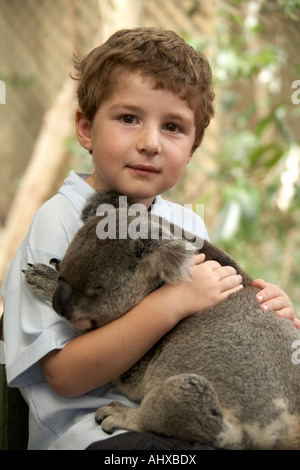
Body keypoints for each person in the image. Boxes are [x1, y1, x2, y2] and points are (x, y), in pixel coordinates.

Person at [1, 27, 299, 451]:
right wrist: (173, 302)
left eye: (173, 127)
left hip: (180, 421)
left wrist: (270, 313)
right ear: (85, 129)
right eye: (128, 118)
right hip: (90, 432)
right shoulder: (60, 219)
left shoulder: (183, 226)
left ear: (193, 148)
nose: (149, 143)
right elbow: (63, 376)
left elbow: (204, 329)